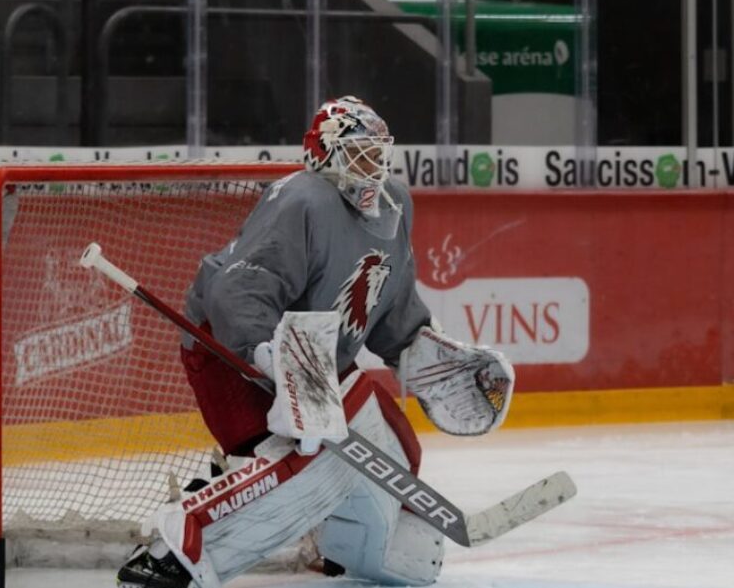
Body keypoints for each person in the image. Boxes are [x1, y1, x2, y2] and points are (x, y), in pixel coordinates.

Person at [116, 96, 515, 588]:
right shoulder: (303, 199)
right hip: (233, 354)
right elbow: (237, 290)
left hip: (315, 357)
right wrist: (271, 361)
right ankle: (172, 551)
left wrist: (422, 352)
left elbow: (389, 306)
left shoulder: (395, 204)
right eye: (359, 154)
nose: (372, 169)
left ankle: (362, 550)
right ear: (323, 154)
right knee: (313, 459)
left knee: (390, 443)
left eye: (378, 154)